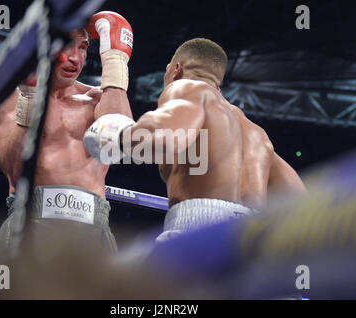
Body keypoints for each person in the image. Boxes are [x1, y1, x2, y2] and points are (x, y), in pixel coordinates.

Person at [84, 38, 307, 241]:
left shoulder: (186, 88)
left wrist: (117, 135)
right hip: (252, 241)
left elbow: (165, 139)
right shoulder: (259, 135)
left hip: (199, 232)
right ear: (218, 85)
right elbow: (300, 205)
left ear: (175, 70)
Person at [0, 11, 134, 259]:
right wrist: (31, 98)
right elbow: (15, 169)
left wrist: (115, 62)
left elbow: (121, 140)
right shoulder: (9, 102)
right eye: (67, 45)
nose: (76, 58)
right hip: (29, 221)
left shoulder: (98, 99)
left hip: (93, 228)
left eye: (84, 47)